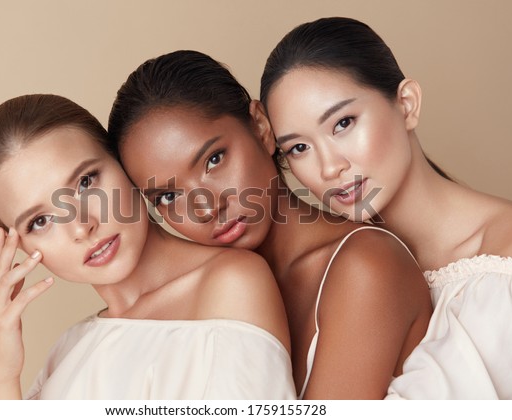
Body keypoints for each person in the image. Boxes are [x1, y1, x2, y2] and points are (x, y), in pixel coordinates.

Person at [108, 50, 432, 399]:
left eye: (213, 160)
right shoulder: (201, 303)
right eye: (167, 197)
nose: (206, 207)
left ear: (260, 126)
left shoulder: (366, 264)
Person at [0, 94, 296, 400]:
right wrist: (0, 377)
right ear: (21, 246)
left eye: (86, 182)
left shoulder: (229, 283)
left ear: (123, 165)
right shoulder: (67, 354)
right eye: (40, 222)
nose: (82, 226)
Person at [259, 17, 512, 399]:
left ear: (407, 104)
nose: (329, 167)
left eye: (343, 123)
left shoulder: (504, 269)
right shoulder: (334, 273)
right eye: (299, 148)